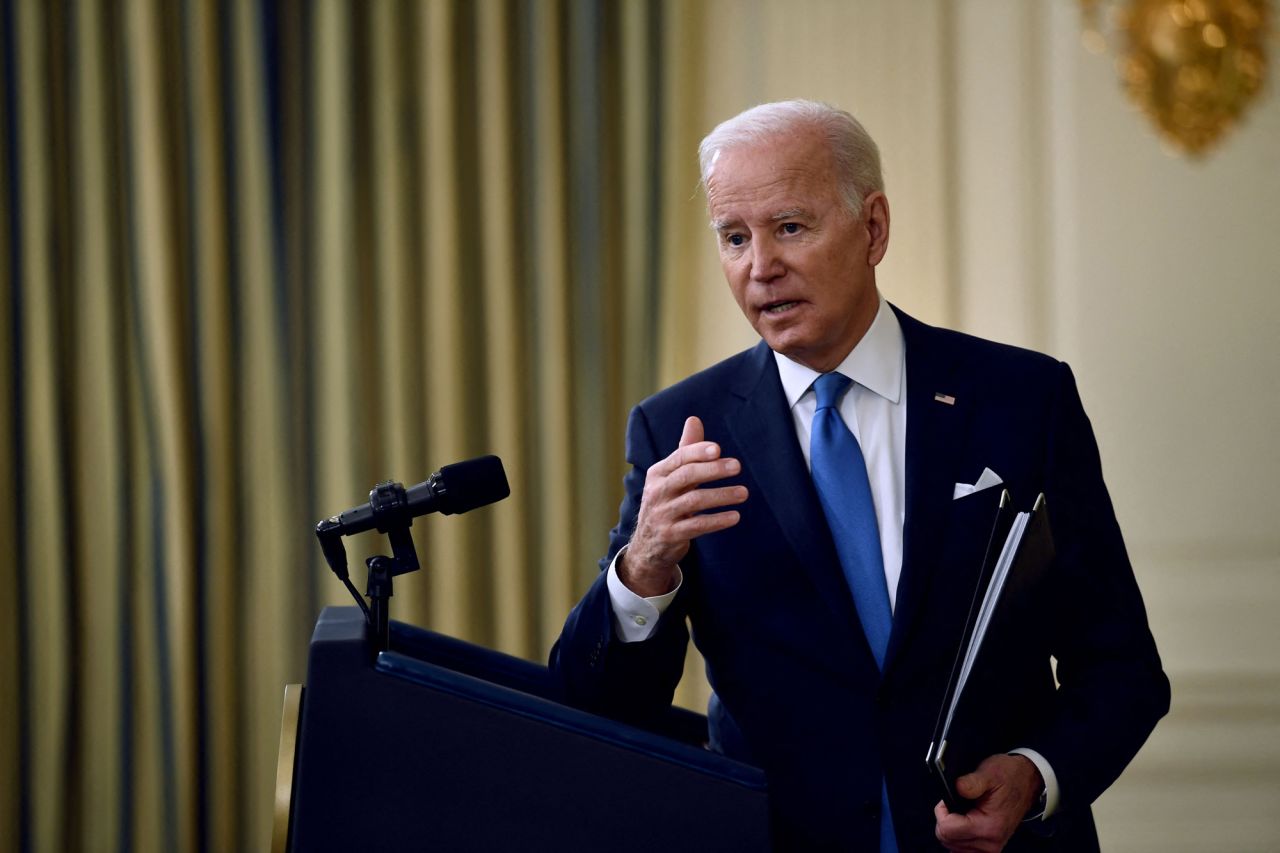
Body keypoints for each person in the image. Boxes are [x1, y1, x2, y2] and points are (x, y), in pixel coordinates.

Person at [550, 100, 1169, 852]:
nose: (759, 266)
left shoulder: (1021, 400)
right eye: (734, 237)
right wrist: (642, 565)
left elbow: (1123, 667)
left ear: (872, 228)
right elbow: (596, 708)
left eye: (789, 227)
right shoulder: (680, 429)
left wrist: (1036, 772)